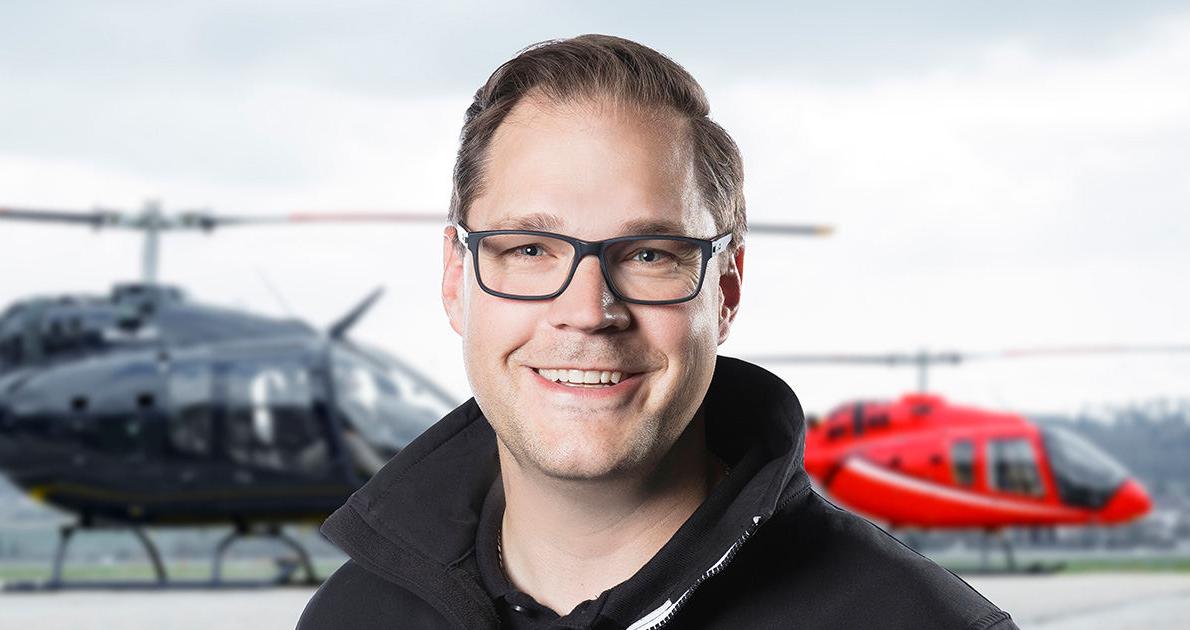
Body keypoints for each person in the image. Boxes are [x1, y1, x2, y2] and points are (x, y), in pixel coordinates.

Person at [298, 34, 1018, 630]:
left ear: (725, 290)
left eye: (648, 255)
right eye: (530, 249)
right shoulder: (350, 618)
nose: (588, 311)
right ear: (457, 280)